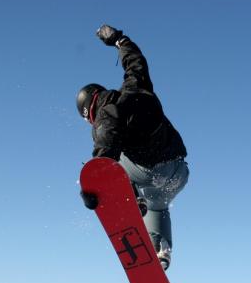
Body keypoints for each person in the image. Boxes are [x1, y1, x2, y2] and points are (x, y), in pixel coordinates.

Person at [77, 25, 189, 270]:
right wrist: (119, 39)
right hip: (179, 171)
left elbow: (105, 155)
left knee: (118, 166)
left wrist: (94, 186)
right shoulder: (136, 86)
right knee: (157, 206)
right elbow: (135, 62)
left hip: (149, 170)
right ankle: (160, 250)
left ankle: (131, 198)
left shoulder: (105, 118)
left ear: (89, 111)